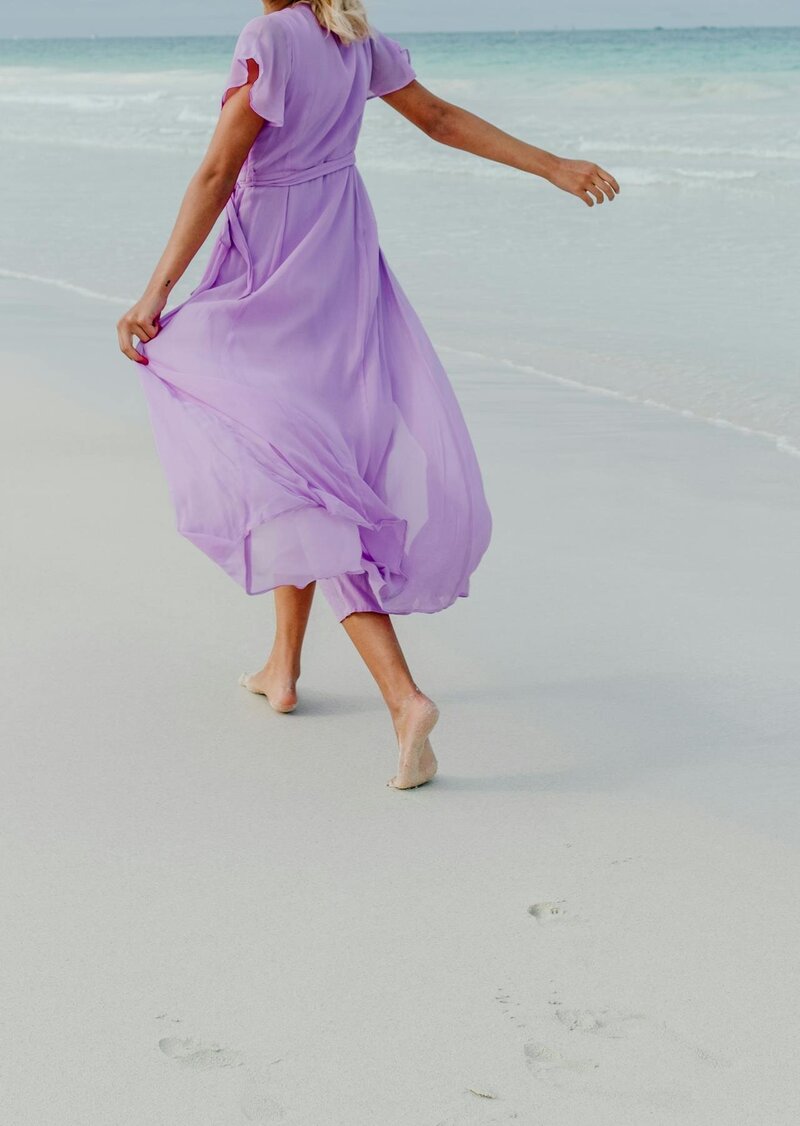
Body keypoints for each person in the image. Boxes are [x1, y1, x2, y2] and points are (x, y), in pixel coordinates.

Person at [117, 0, 619, 791]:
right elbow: (442, 119)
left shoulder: (268, 38)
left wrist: (155, 293)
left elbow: (218, 171)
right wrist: (554, 166)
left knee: (298, 470)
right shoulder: (352, 37)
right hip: (340, 259)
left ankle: (404, 698)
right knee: (308, 453)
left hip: (274, 270)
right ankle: (281, 668)